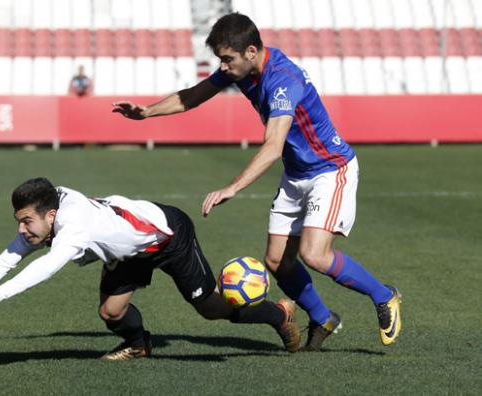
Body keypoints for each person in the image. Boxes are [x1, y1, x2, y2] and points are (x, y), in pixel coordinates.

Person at [112, 13, 402, 351]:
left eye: (227, 59)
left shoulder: (283, 81)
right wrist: (147, 112)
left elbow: (273, 146)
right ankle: (323, 317)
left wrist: (232, 187)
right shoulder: (242, 69)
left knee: (314, 254)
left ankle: (385, 296)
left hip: (329, 169)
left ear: (251, 51)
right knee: (278, 262)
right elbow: (192, 95)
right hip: (297, 174)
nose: (223, 66)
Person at [0, 177, 302, 360]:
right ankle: (140, 344)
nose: (21, 229)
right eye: (20, 221)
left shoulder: (74, 230)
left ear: (51, 215)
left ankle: (277, 313)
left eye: (26, 221)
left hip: (168, 236)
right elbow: (7, 257)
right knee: (111, 312)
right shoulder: (50, 208)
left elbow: (43, 268)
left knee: (210, 309)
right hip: (127, 252)